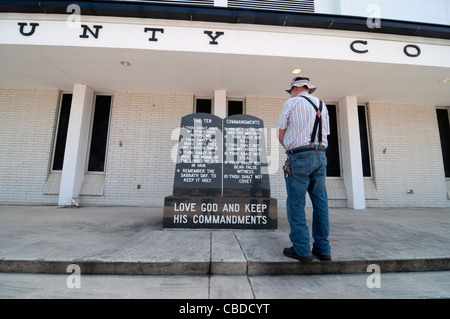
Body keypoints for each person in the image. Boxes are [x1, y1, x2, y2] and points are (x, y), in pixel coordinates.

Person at [277, 76, 331, 262]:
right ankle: (323, 249)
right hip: (320, 156)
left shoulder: (291, 103)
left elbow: (281, 132)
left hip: (299, 156)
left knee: (296, 203)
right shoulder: (323, 106)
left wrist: (289, 148)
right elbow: (325, 135)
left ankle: (301, 249)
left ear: (294, 89)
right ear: (308, 89)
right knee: (320, 203)